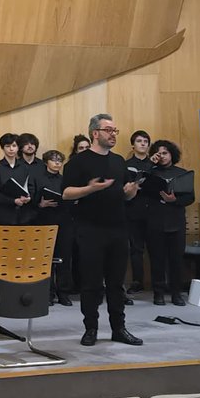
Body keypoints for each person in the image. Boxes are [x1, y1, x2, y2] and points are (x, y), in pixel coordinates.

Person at [63, 114, 143, 348]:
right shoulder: (78, 162)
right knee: (91, 283)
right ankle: (91, 328)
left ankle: (119, 328)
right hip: (90, 229)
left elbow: (127, 195)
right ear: (95, 133)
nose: (113, 134)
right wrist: (89, 189)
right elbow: (66, 193)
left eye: (115, 130)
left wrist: (132, 189)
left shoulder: (118, 161)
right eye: (108, 130)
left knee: (117, 283)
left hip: (118, 228)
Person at [145, 140, 196, 306]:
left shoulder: (182, 173)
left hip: (176, 220)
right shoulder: (150, 173)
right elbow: (140, 190)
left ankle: (176, 293)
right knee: (157, 259)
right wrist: (148, 165)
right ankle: (158, 293)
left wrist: (174, 200)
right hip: (155, 220)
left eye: (165, 153)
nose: (162, 156)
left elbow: (190, 197)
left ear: (172, 154)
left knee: (176, 260)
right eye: (159, 154)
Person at [31, 150, 73, 306]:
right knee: (45, 258)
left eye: (60, 160)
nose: (57, 163)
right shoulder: (38, 178)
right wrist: (40, 204)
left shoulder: (65, 180)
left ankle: (63, 293)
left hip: (63, 221)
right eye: (54, 160)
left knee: (64, 258)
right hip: (44, 221)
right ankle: (47, 293)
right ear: (46, 162)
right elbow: (32, 199)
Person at [125, 130, 153, 295]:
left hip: (153, 210)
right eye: (139, 141)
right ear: (133, 145)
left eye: (145, 141)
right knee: (136, 249)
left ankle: (159, 282)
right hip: (133, 210)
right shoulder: (125, 164)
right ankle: (137, 281)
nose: (143, 144)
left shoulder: (155, 164)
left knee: (156, 248)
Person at [0, 133, 35, 230]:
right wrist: (13, 201)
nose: (11, 149)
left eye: (14, 146)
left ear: (18, 148)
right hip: (4, 215)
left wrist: (28, 198)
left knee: (23, 243)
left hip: (24, 215)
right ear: (3, 148)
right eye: (7, 146)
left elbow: (30, 187)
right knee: (5, 244)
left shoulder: (25, 167)